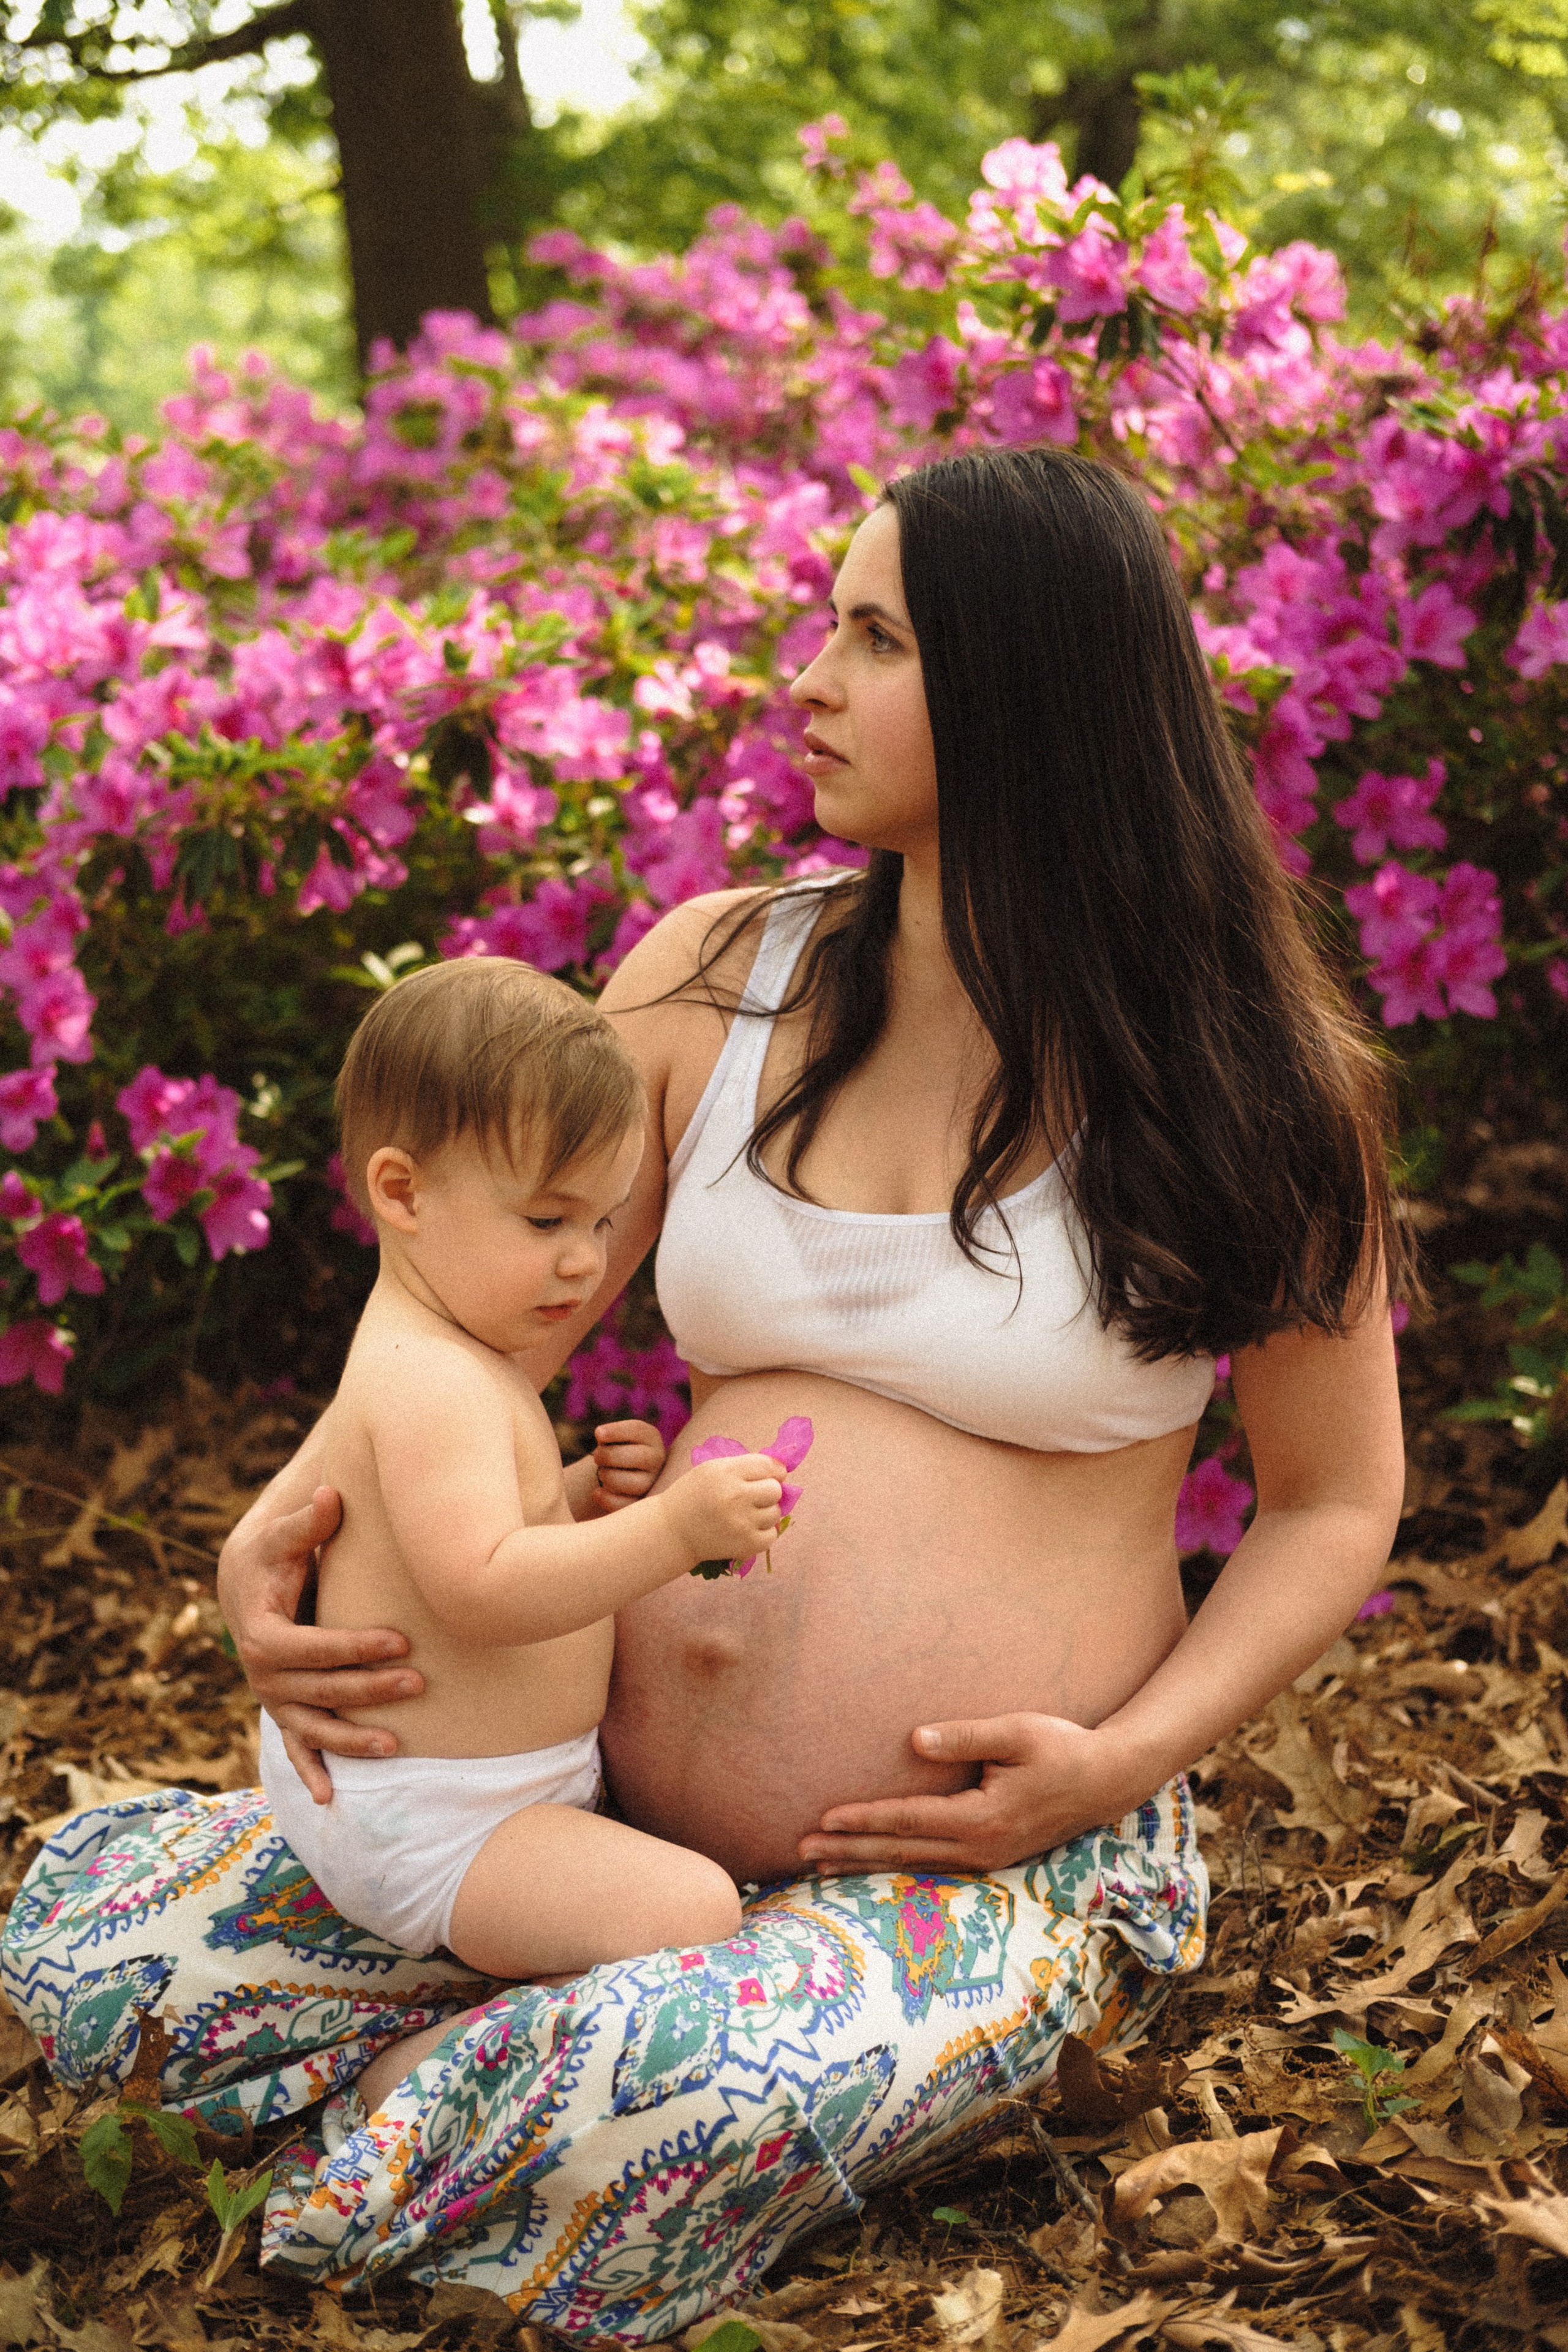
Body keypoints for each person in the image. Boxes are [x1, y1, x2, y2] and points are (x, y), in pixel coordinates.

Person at [2, 446, 1406, 2342]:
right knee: (101, 1939)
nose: (806, 681)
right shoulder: (713, 978)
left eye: (874, 639)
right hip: (575, 1816)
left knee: (640, 2102)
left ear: (1028, 690)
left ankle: (558, 2075)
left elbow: (1333, 1501)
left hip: (983, 1843)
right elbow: (457, 1307)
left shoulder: (1255, 1078)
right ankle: (560, 2037)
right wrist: (276, 1541)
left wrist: (1121, 1764)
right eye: (826, 626)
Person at [258, 958, 782, 1992]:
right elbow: (482, 1590)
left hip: (474, 1793)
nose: (587, 1261)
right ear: (402, 1193)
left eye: (602, 1220)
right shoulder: (432, 1380)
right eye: (548, 1221)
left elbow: (462, 1534)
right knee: (698, 1909)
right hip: (449, 1823)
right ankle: (444, 2061)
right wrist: (672, 1533)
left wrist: (576, 1493)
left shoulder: (456, 1348)